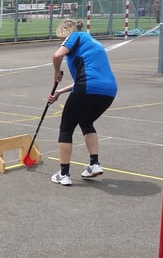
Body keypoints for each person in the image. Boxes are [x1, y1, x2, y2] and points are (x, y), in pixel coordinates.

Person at [47, 19, 117, 186]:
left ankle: (64, 174)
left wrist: (56, 72)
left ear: (65, 33)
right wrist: (59, 92)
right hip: (108, 91)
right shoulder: (93, 42)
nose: (61, 42)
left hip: (88, 87)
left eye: (60, 39)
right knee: (86, 122)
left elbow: (57, 55)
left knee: (66, 128)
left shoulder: (75, 36)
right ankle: (94, 164)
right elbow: (86, 80)